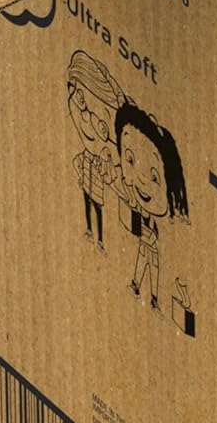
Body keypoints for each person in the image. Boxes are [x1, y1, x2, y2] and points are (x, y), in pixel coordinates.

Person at [114, 101, 189, 314]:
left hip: (151, 239)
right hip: (146, 237)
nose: (141, 180)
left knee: (151, 262)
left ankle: (152, 296)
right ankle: (139, 287)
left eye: (154, 177)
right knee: (144, 259)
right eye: (129, 159)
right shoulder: (133, 196)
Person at [66, 52, 125, 252]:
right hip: (89, 168)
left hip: (97, 169)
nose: (78, 99)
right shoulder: (81, 117)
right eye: (75, 93)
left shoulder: (96, 123)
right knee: (87, 200)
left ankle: (99, 239)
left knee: (97, 205)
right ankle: (90, 231)